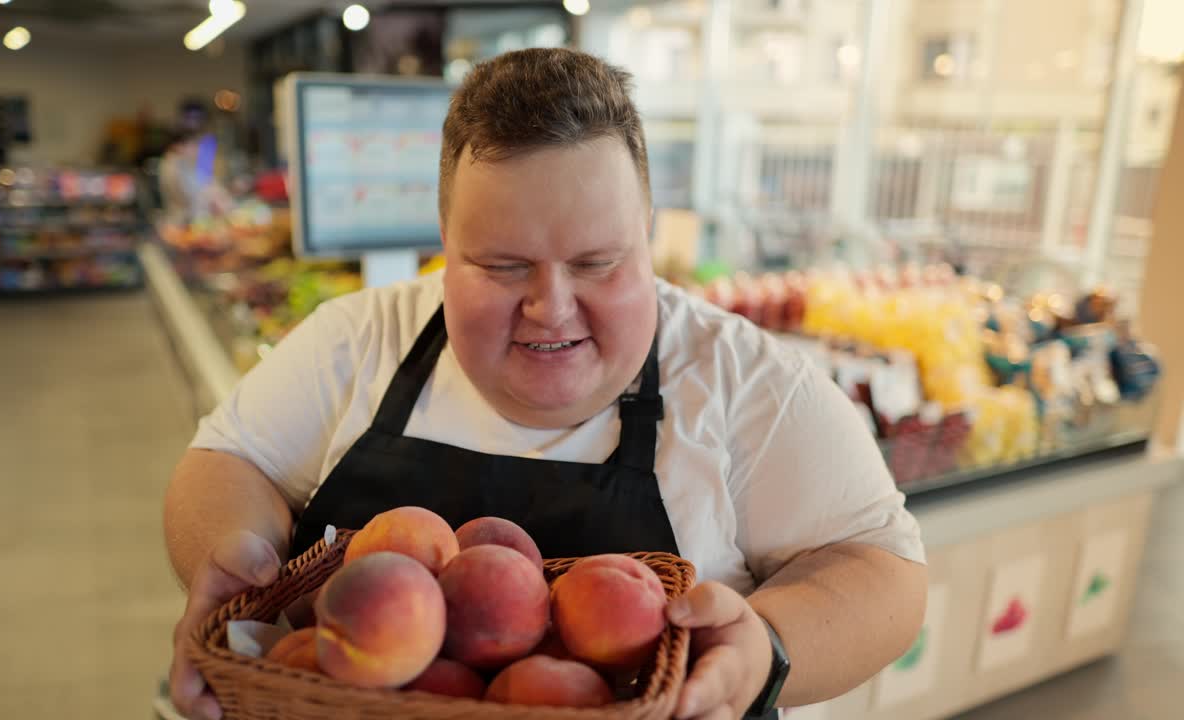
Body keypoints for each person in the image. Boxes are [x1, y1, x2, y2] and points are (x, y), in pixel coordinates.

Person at [164, 47, 927, 720]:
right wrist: (235, 557)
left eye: (598, 263)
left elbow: (882, 572)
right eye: (502, 266)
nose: (550, 307)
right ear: (444, 245)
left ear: (649, 233)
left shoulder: (749, 382)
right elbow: (227, 462)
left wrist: (766, 647)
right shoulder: (360, 339)